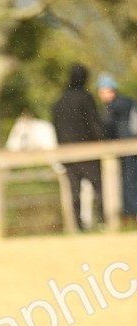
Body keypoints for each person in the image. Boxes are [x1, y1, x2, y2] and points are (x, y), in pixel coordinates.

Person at [51, 64, 106, 231]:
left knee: (74, 191)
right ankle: (103, 221)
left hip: (67, 153)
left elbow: (57, 128)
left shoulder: (59, 102)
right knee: (99, 187)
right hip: (88, 151)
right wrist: (102, 141)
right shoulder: (85, 98)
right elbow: (94, 124)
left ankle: (77, 225)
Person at [97, 73, 137, 220]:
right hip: (133, 143)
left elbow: (108, 128)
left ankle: (130, 213)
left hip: (124, 146)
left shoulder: (113, 106)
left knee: (127, 180)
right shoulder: (129, 102)